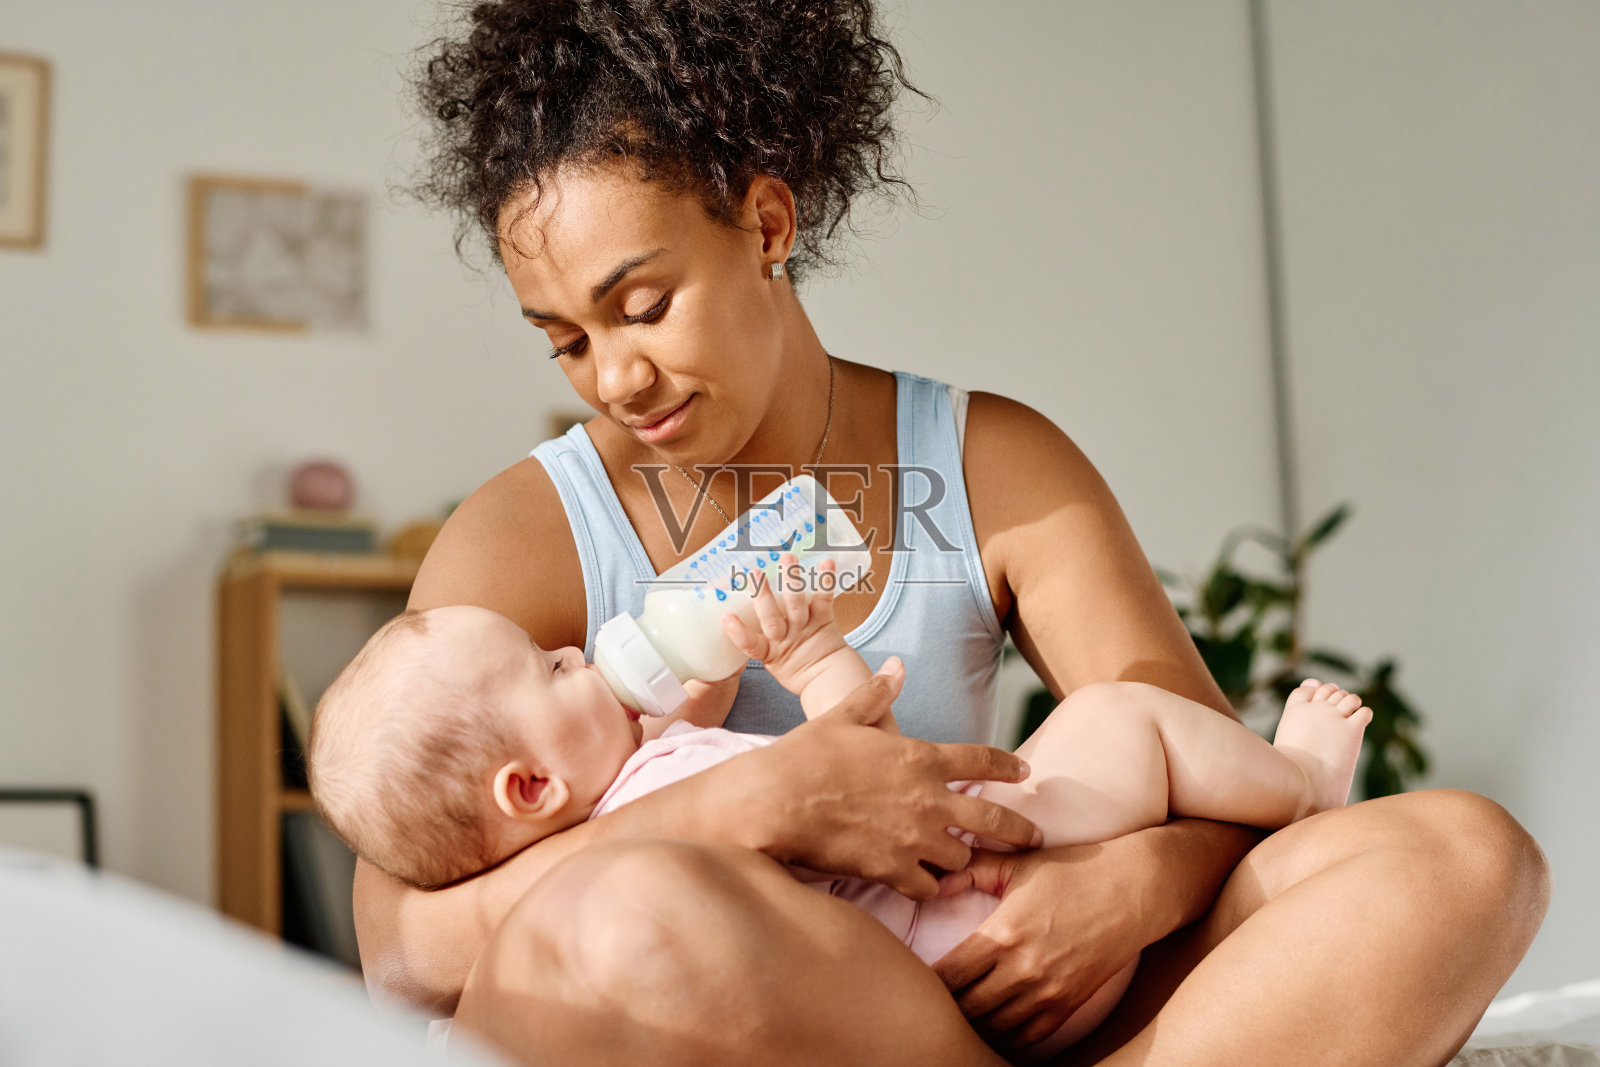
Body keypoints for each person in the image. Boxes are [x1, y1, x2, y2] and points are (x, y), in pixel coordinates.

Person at [357, 1, 1550, 1064]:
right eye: (564, 339)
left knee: (1461, 859)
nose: (613, 374)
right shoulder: (529, 532)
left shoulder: (987, 461)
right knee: (616, 923)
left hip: (984, 971)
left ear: (766, 222)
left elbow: (1206, 783)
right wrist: (747, 809)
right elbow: (404, 951)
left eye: (642, 304)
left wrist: (1123, 887)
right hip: (755, 1012)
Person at [315, 562, 1372, 1055]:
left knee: (1454, 858)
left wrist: (743, 674)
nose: (576, 650)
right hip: (971, 892)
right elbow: (859, 779)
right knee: (1120, 717)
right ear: (532, 786)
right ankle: (1298, 789)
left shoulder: (637, 787)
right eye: (549, 668)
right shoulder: (648, 821)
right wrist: (817, 659)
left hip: (953, 961)